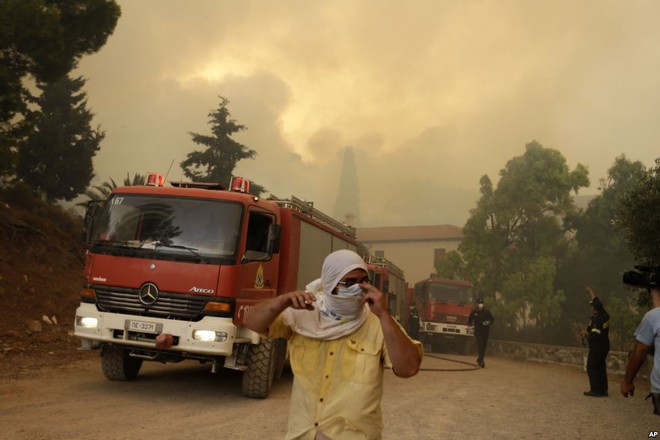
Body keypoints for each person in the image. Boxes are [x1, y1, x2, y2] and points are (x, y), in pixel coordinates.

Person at [243, 249, 423, 440]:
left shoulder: (379, 324)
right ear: (329, 284)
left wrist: (384, 314)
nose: (358, 288)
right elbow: (251, 322)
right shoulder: (305, 314)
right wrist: (281, 302)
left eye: (364, 281)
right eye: (350, 283)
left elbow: (408, 368)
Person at [621, 287, 660, 414]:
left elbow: (640, 350)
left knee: (654, 433)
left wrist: (628, 381)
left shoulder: (653, 317)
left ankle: (652, 435)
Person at [579, 286, 610, 397]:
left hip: (598, 346)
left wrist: (585, 334)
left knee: (591, 366)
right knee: (601, 367)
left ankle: (596, 390)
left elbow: (595, 334)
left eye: (592, 307)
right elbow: (596, 301)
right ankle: (603, 390)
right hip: (605, 345)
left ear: (594, 309)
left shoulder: (596, 320)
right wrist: (590, 291)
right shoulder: (605, 315)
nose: (591, 308)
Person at [467, 298, 494, 368]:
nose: (480, 305)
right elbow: (470, 319)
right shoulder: (474, 312)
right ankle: (481, 361)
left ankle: (479, 359)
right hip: (478, 333)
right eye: (479, 303)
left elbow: (492, 320)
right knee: (480, 346)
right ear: (477, 304)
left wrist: (488, 322)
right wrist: (469, 325)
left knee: (483, 347)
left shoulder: (487, 312)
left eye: (481, 303)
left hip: (485, 332)